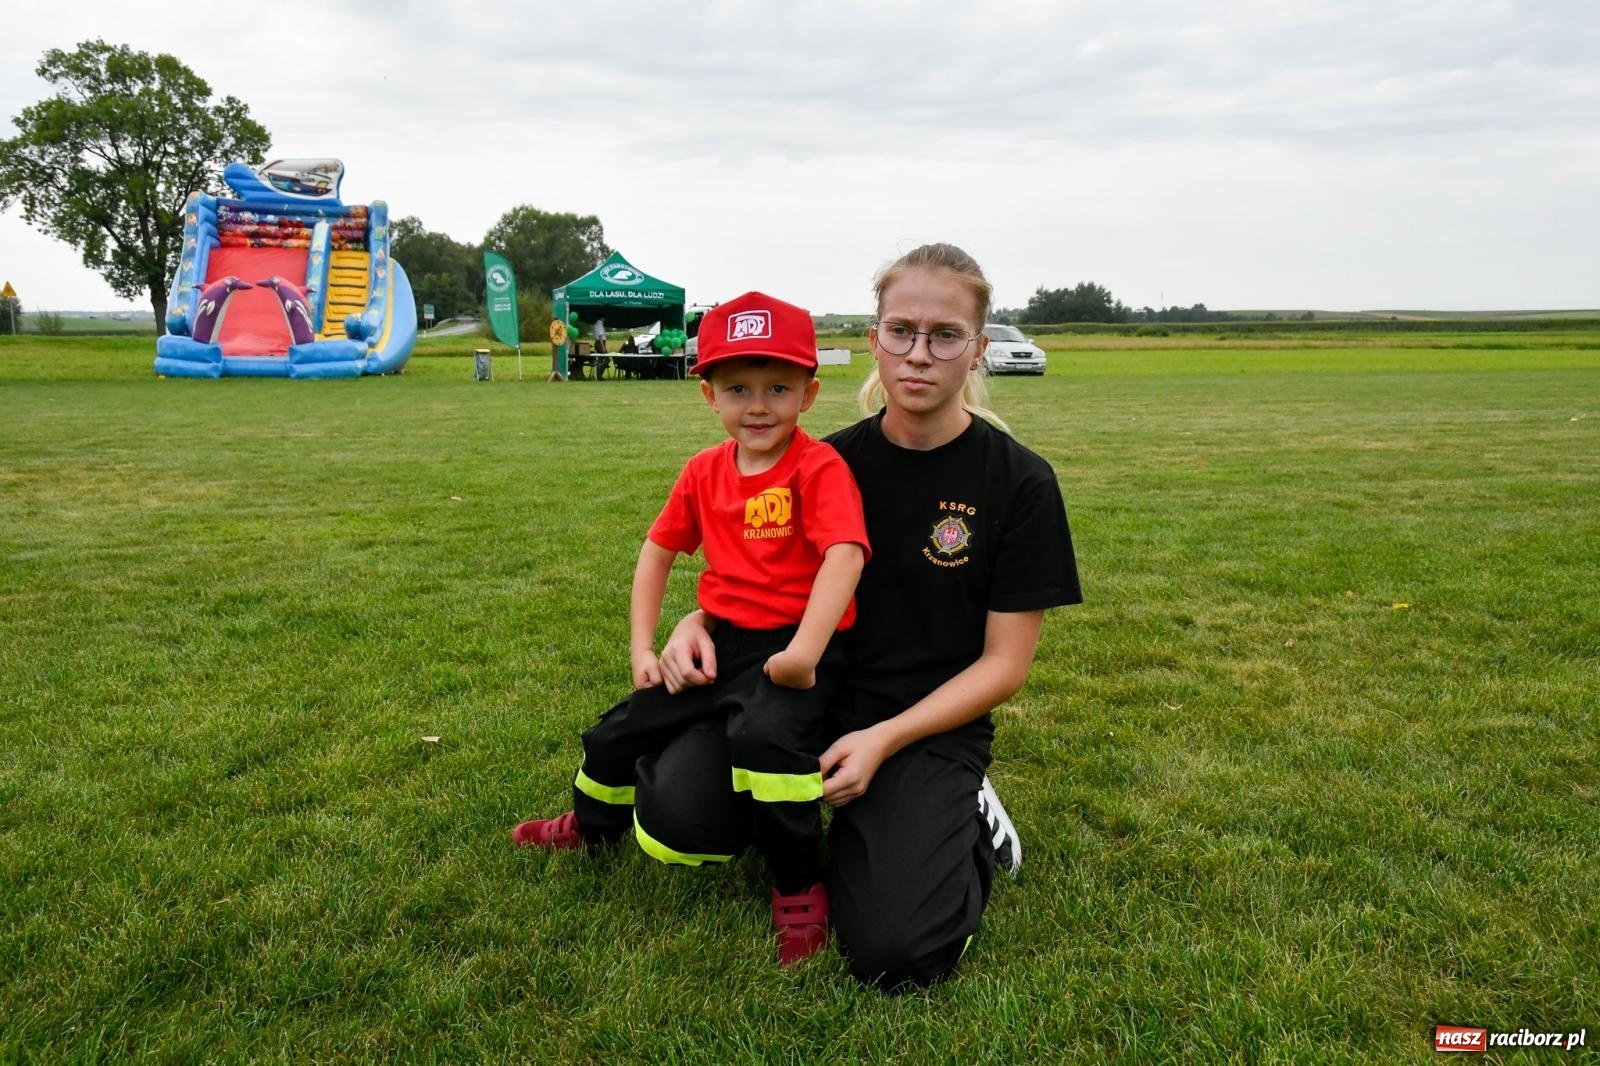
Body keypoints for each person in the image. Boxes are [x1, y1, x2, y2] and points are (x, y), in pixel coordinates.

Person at [649, 243, 1082, 990]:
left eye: (945, 335)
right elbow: (758, 578)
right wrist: (699, 620)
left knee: (897, 954)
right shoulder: (818, 463)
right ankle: (821, 819)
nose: (919, 354)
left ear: (977, 349)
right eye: (900, 331)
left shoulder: (1018, 482)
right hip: (801, 698)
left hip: (919, 724)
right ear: (874, 338)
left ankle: (963, 809)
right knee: (678, 813)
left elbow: (1004, 665)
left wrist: (883, 740)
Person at [513, 291, 870, 966]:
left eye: (778, 387)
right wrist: (643, 648)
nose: (758, 405)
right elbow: (657, 552)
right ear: (707, 394)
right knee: (617, 731)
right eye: (737, 388)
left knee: (771, 752)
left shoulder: (818, 468)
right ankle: (592, 828)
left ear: (809, 393)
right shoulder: (704, 472)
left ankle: (797, 885)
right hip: (720, 644)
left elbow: (844, 556)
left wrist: (804, 655)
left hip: (795, 650)